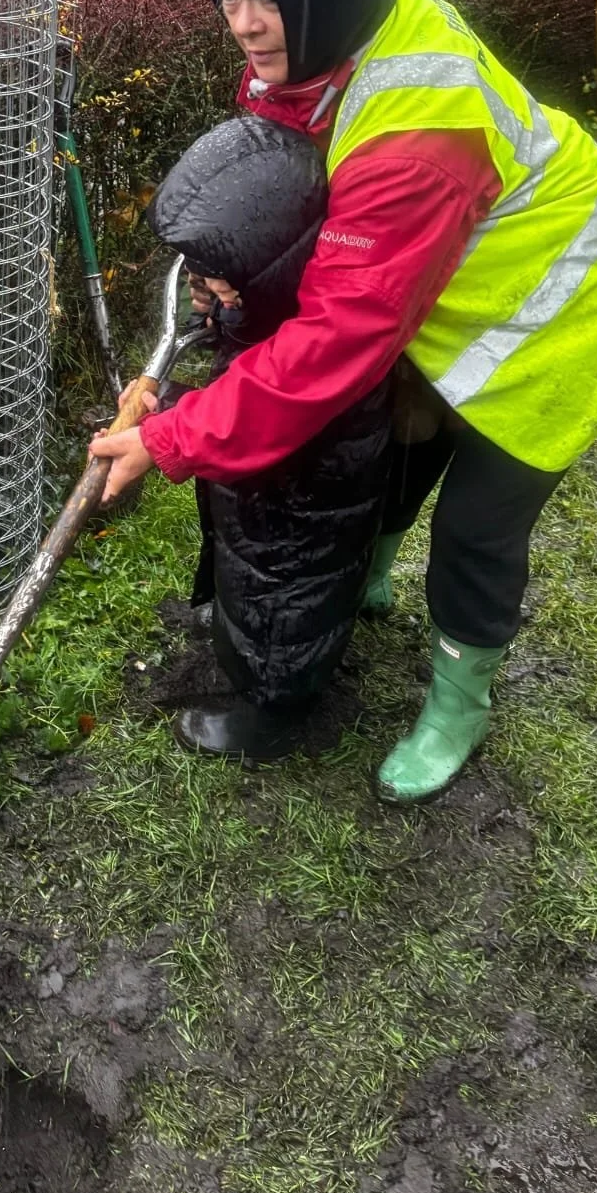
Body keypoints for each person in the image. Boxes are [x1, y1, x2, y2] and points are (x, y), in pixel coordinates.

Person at [90, 0, 597, 804]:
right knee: (403, 447)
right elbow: (289, 147)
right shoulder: (346, 26)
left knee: (478, 526)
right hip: (467, 277)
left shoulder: (417, 141)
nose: (240, 24)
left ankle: (459, 703)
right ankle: (368, 578)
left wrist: (171, 438)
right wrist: (230, 269)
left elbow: (331, 350)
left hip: (577, 299)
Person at [143, 116, 391, 761]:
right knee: (253, 563)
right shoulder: (274, 303)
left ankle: (275, 711)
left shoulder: (320, 353)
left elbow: (272, 403)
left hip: (305, 499)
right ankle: (243, 639)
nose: (206, 285)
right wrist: (227, 311)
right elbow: (249, 351)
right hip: (263, 494)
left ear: (282, 258)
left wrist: (167, 433)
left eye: (221, 273)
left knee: (285, 588)